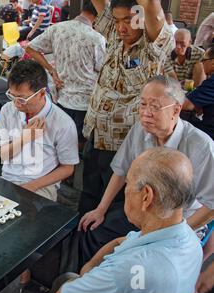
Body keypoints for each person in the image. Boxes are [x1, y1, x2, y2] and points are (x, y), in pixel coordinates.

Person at [78, 76, 214, 266]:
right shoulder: (139, 131)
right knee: (93, 233)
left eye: (155, 107)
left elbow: (211, 206)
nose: (145, 113)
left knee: (146, 263)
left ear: (176, 110)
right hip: (141, 211)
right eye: (142, 105)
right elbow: (121, 170)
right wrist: (100, 209)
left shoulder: (201, 146)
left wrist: (169, 233)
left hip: (179, 223)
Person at [54, 147, 203, 293]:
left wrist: (89, 273)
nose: (125, 189)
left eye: (128, 183)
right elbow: (122, 241)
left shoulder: (130, 270)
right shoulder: (191, 240)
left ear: (146, 196)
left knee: (63, 281)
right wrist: (91, 267)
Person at [78, 0, 173, 216]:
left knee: (116, 204)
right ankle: (81, 238)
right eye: (118, 20)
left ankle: (108, 245)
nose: (122, 27)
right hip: (95, 134)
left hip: (122, 144)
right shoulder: (115, 36)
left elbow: (151, 7)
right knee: (88, 194)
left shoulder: (153, 47)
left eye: (129, 20)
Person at [0, 60, 79, 202]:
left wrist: (32, 186)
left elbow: (67, 168)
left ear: (41, 93)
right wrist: (24, 138)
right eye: (12, 95)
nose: (16, 103)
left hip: (41, 185)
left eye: (22, 99)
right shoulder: (7, 110)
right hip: (8, 178)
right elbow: (3, 155)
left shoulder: (63, 123)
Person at [26, 0, 105, 148]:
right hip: (84, 103)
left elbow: (30, 48)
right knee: (77, 145)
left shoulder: (58, 28)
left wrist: (51, 69)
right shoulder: (96, 38)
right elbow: (102, 68)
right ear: (99, 16)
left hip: (61, 99)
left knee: (61, 140)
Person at [183, 45, 214, 140]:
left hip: (210, 132)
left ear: (213, 62)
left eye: (203, 60)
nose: (202, 64)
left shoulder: (212, 82)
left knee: (178, 115)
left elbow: (186, 105)